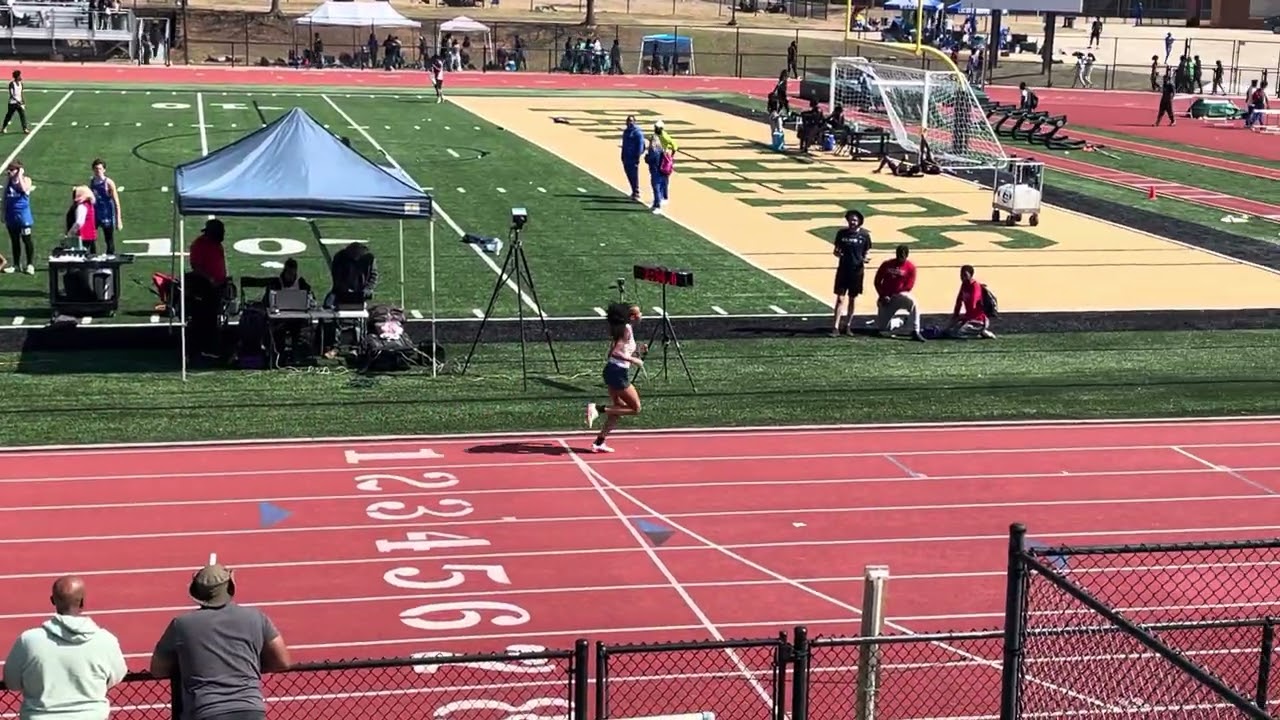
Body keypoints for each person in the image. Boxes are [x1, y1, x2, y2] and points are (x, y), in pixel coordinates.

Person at [150, 564, 292, 720]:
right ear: (230, 587)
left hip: (206, 710)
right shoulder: (256, 617)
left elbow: (158, 670)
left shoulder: (181, 625)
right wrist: (252, 667)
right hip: (251, 709)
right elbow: (283, 661)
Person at [3, 576, 128, 720]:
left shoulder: (29, 640)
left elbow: (12, 682)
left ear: (53, 600)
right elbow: (117, 676)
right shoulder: (106, 641)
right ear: (82, 602)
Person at [584, 303, 646, 454]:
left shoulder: (622, 329)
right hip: (618, 373)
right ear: (632, 317)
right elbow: (616, 353)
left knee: (617, 409)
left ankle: (599, 442)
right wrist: (634, 360)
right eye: (639, 313)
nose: (642, 315)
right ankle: (598, 409)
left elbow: (615, 351)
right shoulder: (626, 329)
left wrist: (638, 351)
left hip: (612, 371)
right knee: (635, 408)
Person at [831, 209, 871, 337]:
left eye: (854, 220)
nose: (852, 222)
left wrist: (865, 259)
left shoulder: (864, 236)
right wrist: (837, 253)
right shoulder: (842, 234)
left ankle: (848, 326)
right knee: (840, 299)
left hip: (857, 271)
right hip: (843, 269)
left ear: (859, 221)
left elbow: (867, 252)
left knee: (852, 299)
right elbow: (836, 250)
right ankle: (835, 327)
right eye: (850, 219)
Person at [873, 244, 925, 342]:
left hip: (900, 295)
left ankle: (915, 330)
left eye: (902, 256)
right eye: (898, 255)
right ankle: (901, 321)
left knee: (913, 302)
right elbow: (877, 281)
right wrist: (883, 295)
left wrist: (894, 294)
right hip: (886, 298)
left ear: (906, 256)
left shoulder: (910, 267)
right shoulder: (886, 264)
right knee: (884, 328)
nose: (900, 258)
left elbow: (909, 286)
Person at [946, 265, 995, 339]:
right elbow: (959, 301)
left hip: (978, 320)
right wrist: (955, 316)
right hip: (969, 318)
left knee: (958, 333)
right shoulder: (964, 285)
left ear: (971, 275)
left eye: (965, 275)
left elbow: (973, 305)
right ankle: (979, 331)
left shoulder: (975, 286)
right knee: (949, 332)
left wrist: (962, 318)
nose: (962, 277)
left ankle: (981, 331)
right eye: (961, 275)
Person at [3, 160, 35, 275]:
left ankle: (30, 264)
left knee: (26, 240)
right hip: (11, 215)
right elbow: (4, 198)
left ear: (18, 170)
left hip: (23, 216)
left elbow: (24, 189)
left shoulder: (26, 180)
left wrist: (20, 175)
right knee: (14, 241)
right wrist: (3, 213)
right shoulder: (8, 182)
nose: (9, 172)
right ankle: (16, 264)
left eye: (12, 170)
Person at [89, 159, 122, 255]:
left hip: (106, 214)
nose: (97, 171)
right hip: (95, 214)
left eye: (99, 169)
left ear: (104, 170)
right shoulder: (92, 182)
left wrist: (118, 219)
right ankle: (93, 257)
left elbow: (116, 202)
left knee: (109, 239)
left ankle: (110, 259)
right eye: (95, 169)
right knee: (91, 238)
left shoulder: (108, 183)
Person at [64, 186, 97, 253]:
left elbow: (79, 222)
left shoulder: (82, 206)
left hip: (82, 238)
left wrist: (70, 233)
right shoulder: (89, 205)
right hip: (90, 237)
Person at [620, 115, 645, 201]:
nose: (629, 122)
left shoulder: (637, 133)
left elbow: (641, 146)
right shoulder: (626, 132)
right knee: (629, 174)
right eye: (628, 120)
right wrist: (622, 155)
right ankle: (633, 191)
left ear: (634, 122)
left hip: (633, 158)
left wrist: (637, 157)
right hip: (626, 157)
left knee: (634, 175)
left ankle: (636, 192)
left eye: (631, 121)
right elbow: (624, 145)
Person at [643, 137, 670, 215]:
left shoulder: (654, 151)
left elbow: (650, 160)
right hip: (662, 172)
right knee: (658, 188)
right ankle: (655, 204)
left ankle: (658, 206)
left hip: (656, 172)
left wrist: (646, 157)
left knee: (656, 189)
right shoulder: (661, 150)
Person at [2, 70, 28, 135]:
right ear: (17, 77)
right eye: (19, 75)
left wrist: (23, 101)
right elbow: (12, 95)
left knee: (22, 115)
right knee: (9, 116)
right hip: (12, 103)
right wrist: (18, 101)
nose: (20, 77)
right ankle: (4, 127)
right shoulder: (12, 84)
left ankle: (25, 128)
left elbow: (21, 93)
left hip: (19, 103)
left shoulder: (21, 84)